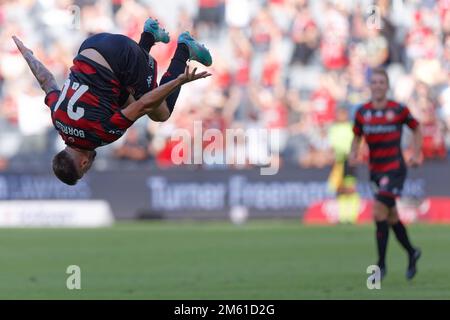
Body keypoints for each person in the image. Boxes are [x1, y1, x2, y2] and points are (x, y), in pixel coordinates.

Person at [12, 18, 212, 185]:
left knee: (161, 113)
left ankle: (184, 48)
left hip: (120, 56)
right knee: (122, 98)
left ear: (82, 164)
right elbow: (46, 81)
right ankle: (149, 35)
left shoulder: (101, 135)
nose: (89, 167)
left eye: (85, 170)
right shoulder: (58, 120)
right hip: (90, 45)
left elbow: (143, 106)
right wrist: (28, 55)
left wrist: (178, 81)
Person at [349, 68, 422, 280]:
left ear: (387, 86)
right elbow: (356, 136)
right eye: (375, 82)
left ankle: (380, 266)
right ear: (370, 86)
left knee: (378, 211)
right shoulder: (362, 112)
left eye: (382, 82)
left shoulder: (398, 109)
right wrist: (354, 153)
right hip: (375, 171)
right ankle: (412, 252)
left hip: (395, 168)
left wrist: (416, 153)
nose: (378, 86)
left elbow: (416, 129)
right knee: (391, 217)